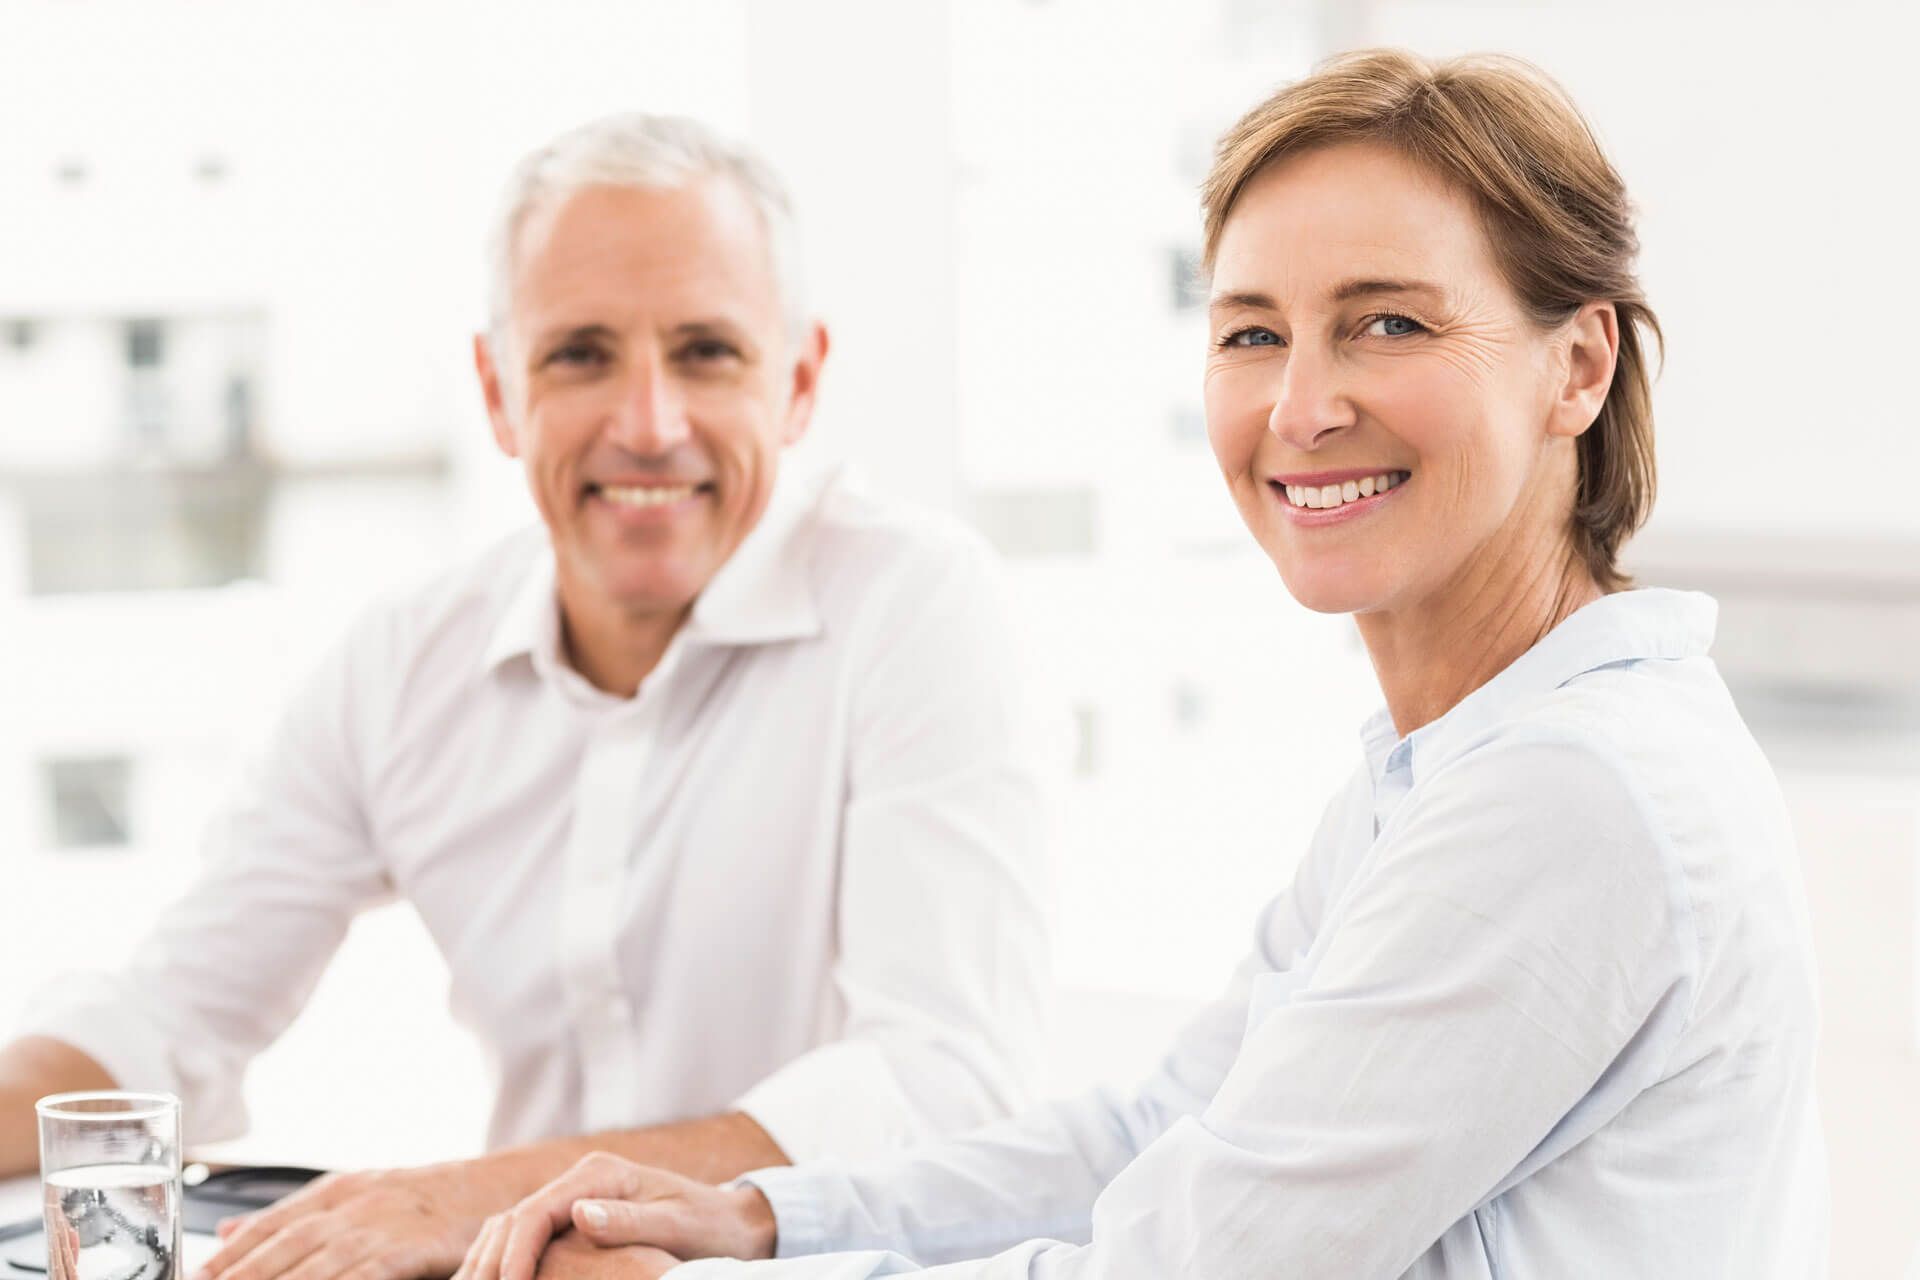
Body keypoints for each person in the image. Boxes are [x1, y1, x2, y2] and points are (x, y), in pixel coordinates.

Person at [459, 49, 1829, 1280]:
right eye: (1251, 333)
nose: (1301, 406)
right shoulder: (1439, 771)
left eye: (1388, 322)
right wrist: (756, 1216)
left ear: (1577, 366)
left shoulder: (1572, 796)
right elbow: (1158, 1131)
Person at [0, 113, 1052, 1280]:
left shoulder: (915, 604)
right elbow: (168, 1016)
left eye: (706, 350)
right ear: (499, 390)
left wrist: (465, 1196)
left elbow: (937, 1083)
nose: (648, 424)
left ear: (798, 381)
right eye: (581, 354)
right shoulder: (405, 658)